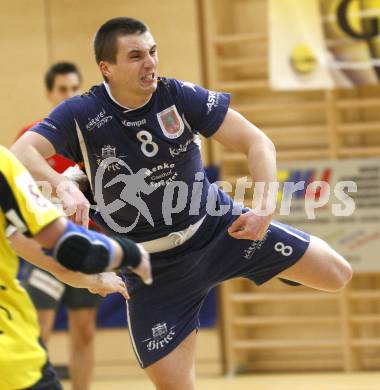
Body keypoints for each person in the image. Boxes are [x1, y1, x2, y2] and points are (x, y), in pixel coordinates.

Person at [11, 17, 353, 390]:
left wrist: (265, 210)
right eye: (136, 55)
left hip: (217, 231)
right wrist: (62, 185)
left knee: (338, 275)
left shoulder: (178, 96)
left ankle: (273, 264)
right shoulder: (81, 114)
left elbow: (258, 143)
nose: (150, 63)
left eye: (153, 52)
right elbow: (20, 152)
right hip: (153, 270)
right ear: (106, 68)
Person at [0, 145, 151, 389]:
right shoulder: (6, 161)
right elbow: (64, 246)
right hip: (13, 363)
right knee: (42, 324)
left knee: (83, 329)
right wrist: (128, 254)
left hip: (70, 246)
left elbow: (23, 240)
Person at [16, 61, 101, 390]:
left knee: (85, 330)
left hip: (86, 244)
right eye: (62, 89)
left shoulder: (91, 140)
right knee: (40, 329)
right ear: (50, 94)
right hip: (46, 246)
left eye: (74, 88)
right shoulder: (29, 140)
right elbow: (16, 190)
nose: (69, 95)